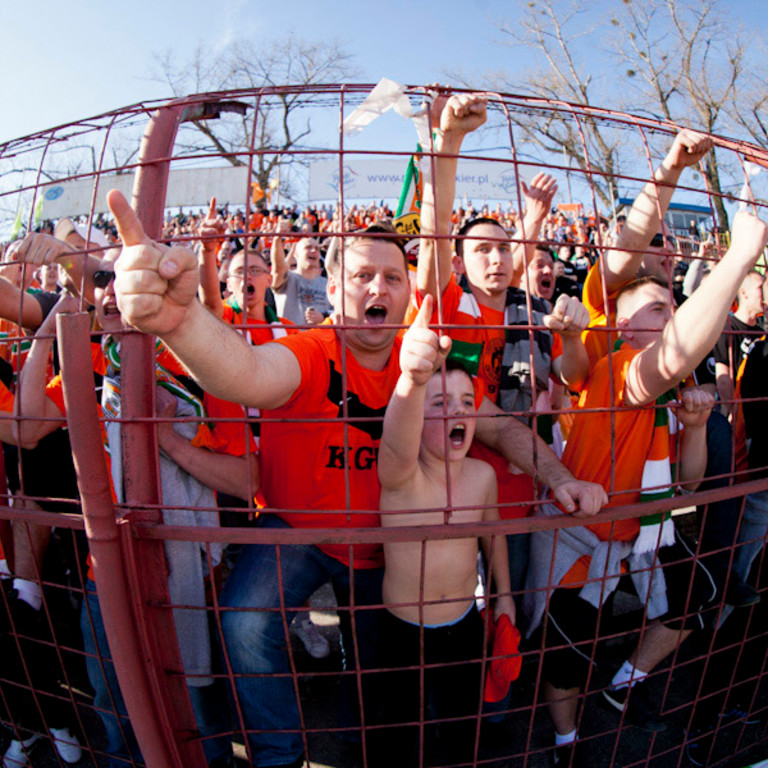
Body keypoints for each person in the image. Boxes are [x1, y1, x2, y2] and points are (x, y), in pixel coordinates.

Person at [107, 186, 606, 768]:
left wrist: (557, 475)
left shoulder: (423, 359)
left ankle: (357, 748)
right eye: (364, 275)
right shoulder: (309, 351)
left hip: (387, 552)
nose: (378, 289)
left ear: (408, 292)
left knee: (376, 671)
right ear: (335, 288)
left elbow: (497, 425)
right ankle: (278, 756)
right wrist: (182, 323)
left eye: (393, 278)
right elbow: (243, 374)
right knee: (244, 626)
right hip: (299, 533)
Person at [523, 210, 768, 765]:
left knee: (700, 593)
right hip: (579, 538)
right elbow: (674, 351)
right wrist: (739, 257)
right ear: (625, 327)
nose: (674, 317)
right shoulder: (617, 367)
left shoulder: (676, 386)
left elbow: (687, 481)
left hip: (640, 535)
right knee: (566, 656)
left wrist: (700, 429)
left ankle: (623, 682)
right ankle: (566, 744)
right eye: (659, 309)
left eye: (674, 306)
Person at [13, 251, 258, 768]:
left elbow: (248, 479)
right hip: (106, 571)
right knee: (111, 699)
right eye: (99, 281)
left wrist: (169, 443)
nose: (106, 291)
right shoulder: (96, 366)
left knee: (196, 705)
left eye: (120, 280)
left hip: (191, 570)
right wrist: (49, 328)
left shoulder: (204, 369)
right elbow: (26, 425)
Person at [373, 296, 516, 766]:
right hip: (400, 633)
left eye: (467, 402)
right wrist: (412, 383)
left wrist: (505, 595)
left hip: (463, 628)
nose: (458, 411)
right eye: (441, 403)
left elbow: (493, 535)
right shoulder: (401, 476)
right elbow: (395, 434)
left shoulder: (482, 476)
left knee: (460, 732)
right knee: (395, 739)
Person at [580, 129, 714, 368]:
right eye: (656, 241)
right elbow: (632, 242)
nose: (668, 249)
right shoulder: (605, 296)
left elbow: (694, 382)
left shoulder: (680, 309)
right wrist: (673, 167)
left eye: (672, 242)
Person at [713, 270, 764, 419]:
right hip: (738, 414)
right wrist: (735, 413)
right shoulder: (727, 329)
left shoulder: (762, 332)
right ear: (744, 293)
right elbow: (723, 380)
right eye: (760, 288)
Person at [270, 218, 332, 326]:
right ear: (296, 255)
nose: (314, 251)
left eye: (317, 249)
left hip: (319, 340)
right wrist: (277, 238)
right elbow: (278, 267)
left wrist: (323, 318)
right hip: (291, 340)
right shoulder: (287, 279)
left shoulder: (327, 284)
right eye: (308, 247)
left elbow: (336, 314)